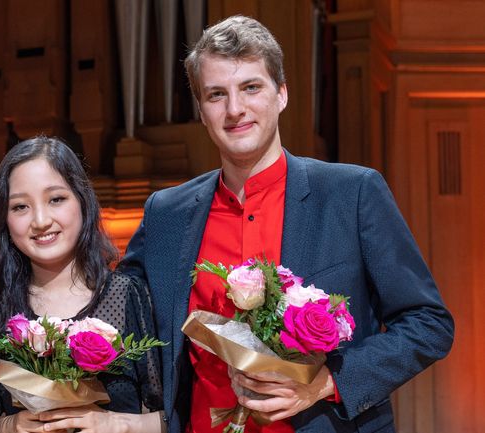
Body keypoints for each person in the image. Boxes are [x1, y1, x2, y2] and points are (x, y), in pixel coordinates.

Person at [117, 15, 454, 433]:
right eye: (216, 94)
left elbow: (428, 324)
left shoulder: (353, 193)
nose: (235, 109)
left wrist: (324, 383)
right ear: (202, 112)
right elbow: (120, 315)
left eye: (251, 87)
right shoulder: (166, 213)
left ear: (282, 94)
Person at [0, 136, 165, 433]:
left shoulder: (128, 295)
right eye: (20, 207)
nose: (41, 220)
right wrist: (9, 426)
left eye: (56, 199)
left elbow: (171, 417)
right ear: (4, 219)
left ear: (82, 201)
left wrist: (114, 423)